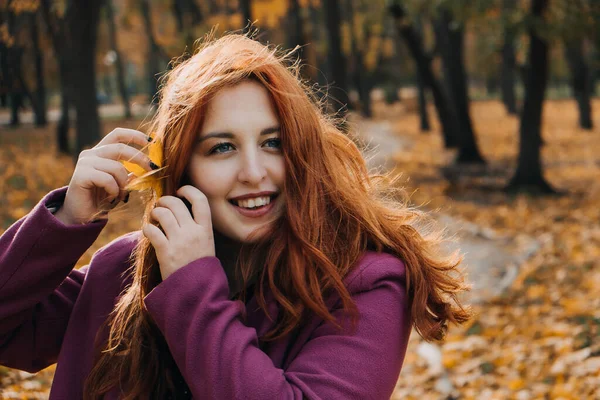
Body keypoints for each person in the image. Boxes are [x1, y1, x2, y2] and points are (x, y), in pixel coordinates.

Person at [0, 33, 470, 399]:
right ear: (181, 167)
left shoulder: (363, 285)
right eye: (222, 147)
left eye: (273, 143)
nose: (253, 172)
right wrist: (65, 220)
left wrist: (192, 288)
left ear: (302, 153)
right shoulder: (123, 273)